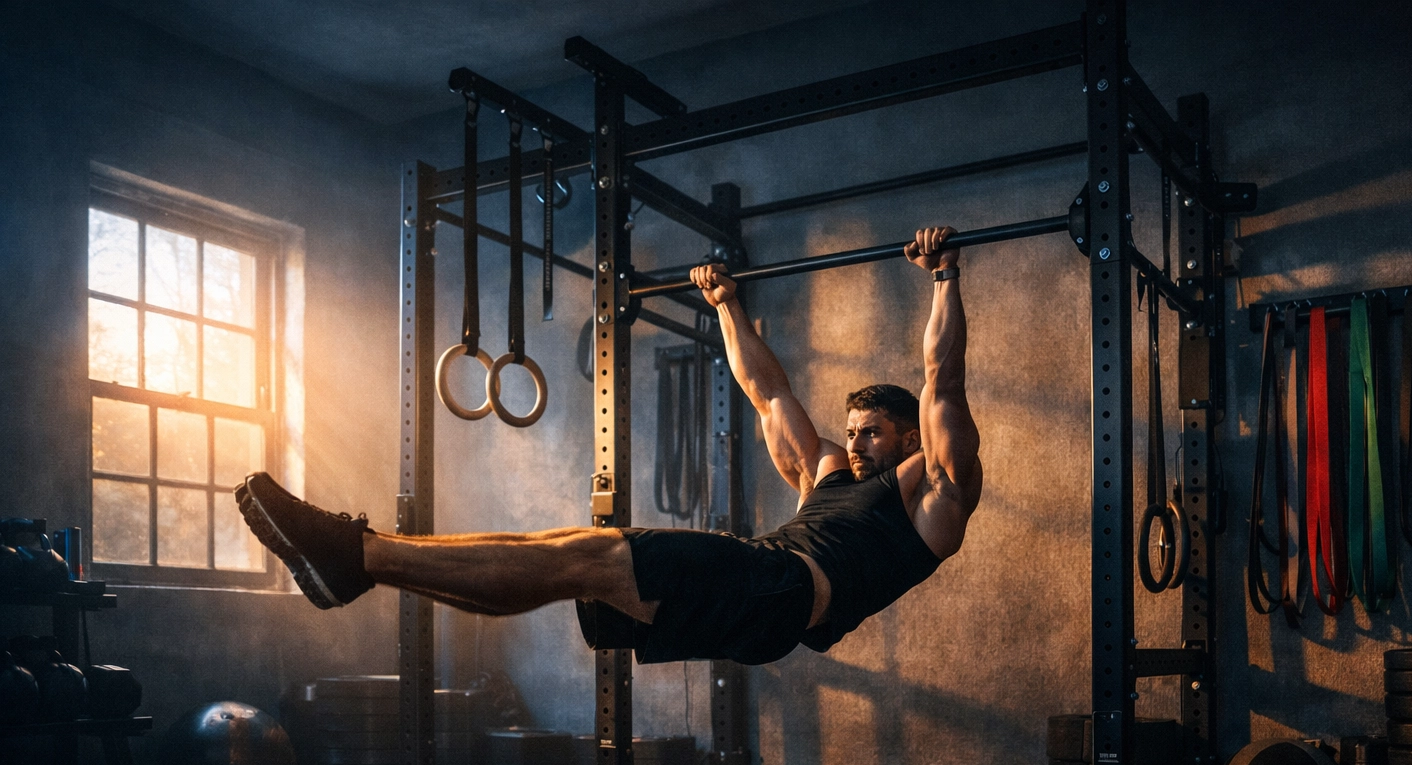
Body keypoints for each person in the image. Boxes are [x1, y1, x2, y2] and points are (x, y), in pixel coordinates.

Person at [236, 225, 983, 665]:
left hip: (783, 588)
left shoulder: (934, 499)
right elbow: (769, 393)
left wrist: (944, 274)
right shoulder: (825, 474)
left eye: (871, 433)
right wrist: (726, 305)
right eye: (850, 432)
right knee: (576, 563)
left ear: (908, 436)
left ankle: (355, 551)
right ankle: (362, 566)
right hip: (764, 600)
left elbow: (942, 380)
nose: (853, 445)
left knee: (588, 554)